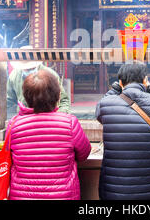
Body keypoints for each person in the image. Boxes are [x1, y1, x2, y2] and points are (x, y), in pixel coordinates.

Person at [95, 61, 150, 200]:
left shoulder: (106, 104)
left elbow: (99, 110)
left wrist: (115, 88)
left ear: (120, 82)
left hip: (113, 189)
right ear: (145, 80)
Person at [7, 69, 91, 200]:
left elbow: (8, 156)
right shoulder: (69, 123)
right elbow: (84, 154)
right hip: (63, 196)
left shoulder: (14, 125)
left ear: (26, 97)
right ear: (57, 95)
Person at [6, 47, 70, 119]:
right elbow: (9, 99)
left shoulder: (51, 75)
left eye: (32, 68)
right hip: (25, 118)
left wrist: (59, 117)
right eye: (26, 69)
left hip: (49, 118)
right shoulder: (14, 76)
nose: (29, 70)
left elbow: (64, 100)